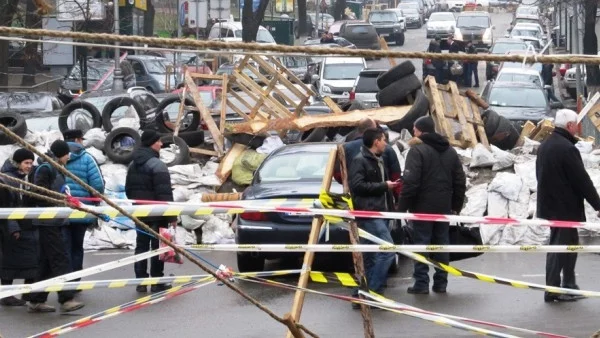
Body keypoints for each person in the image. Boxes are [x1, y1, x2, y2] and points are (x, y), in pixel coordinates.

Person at [536, 109, 600, 302]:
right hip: (564, 208)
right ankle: (552, 289)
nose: (578, 128)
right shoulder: (566, 148)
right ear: (570, 126)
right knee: (560, 249)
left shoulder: (546, 145)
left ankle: (569, 284)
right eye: (576, 124)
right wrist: (598, 205)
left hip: (553, 206)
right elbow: (582, 180)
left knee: (570, 246)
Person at [398, 116, 466, 294]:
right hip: (444, 207)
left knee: (422, 243)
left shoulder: (417, 151)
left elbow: (410, 183)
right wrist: (455, 206)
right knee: (441, 244)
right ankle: (441, 282)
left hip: (422, 208)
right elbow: (460, 180)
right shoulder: (449, 151)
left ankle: (421, 283)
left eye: (415, 129)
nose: (413, 132)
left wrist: (401, 208)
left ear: (420, 130)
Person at [28, 140, 85, 313]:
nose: (69, 157)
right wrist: (59, 200)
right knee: (60, 259)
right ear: (61, 153)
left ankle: (36, 299)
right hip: (47, 221)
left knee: (46, 262)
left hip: (54, 220)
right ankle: (66, 299)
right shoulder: (47, 168)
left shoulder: (55, 168)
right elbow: (38, 193)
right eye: (67, 153)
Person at [349, 128, 400, 304]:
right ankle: (374, 292)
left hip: (380, 212)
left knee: (369, 256)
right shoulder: (360, 161)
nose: (386, 143)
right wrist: (384, 186)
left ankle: (360, 294)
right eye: (384, 139)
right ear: (376, 141)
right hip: (370, 214)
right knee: (387, 251)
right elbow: (357, 186)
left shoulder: (379, 159)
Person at [125, 130, 176, 293]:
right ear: (151, 143)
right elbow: (164, 195)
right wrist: (172, 216)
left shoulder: (133, 165)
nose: (161, 144)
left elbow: (128, 191)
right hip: (157, 214)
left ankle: (141, 281)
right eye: (159, 141)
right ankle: (156, 281)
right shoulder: (157, 165)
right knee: (157, 247)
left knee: (141, 246)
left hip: (140, 213)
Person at [62, 129, 104, 280]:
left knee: (63, 248)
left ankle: (64, 281)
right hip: (81, 210)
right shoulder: (87, 158)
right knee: (76, 248)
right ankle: (75, 280)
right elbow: (97, 186)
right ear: (77, 140)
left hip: (58, 213)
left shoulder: (54, 156)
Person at [0, 149, 38, 307]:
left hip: (26, 226)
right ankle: (6, 294)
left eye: (31, 163)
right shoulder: (6, 181)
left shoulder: (22, 178)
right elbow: (6, 206)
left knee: (32, 261)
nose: (29, 166)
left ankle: (28, 292)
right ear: (17, 163)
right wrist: (13, 227)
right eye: (26, 163)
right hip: (12, 228)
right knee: (9, 262)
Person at [336, 118, 402, 199]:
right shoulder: (387, 149)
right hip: (382, 200)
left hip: (356, 200)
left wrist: (351, 183)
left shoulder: (345, 149)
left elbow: (339, 175)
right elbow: (396, 178)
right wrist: (398, 200)